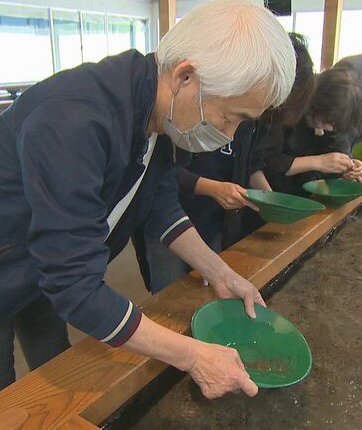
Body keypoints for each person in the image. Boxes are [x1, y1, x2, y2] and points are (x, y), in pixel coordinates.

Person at [0, 0, 296, 411]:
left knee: (57, 358)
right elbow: (74, 285)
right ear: (186, 76)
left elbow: (160, 204)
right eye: (230, 117)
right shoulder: (75, 119)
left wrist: (221, 272)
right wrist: (195, 356)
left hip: (45, 248)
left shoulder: (158, 112)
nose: (230, 134)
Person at [135, 32, 316, 294]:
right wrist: (212, 187)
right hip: (173, 214)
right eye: (232, 119)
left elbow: (251, 161)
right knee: (170, 291)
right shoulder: (182, 115)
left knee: (209, 285)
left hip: (207, 218)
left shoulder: (251, 117)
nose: (231, 133)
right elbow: (162, 179)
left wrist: (269, 200)